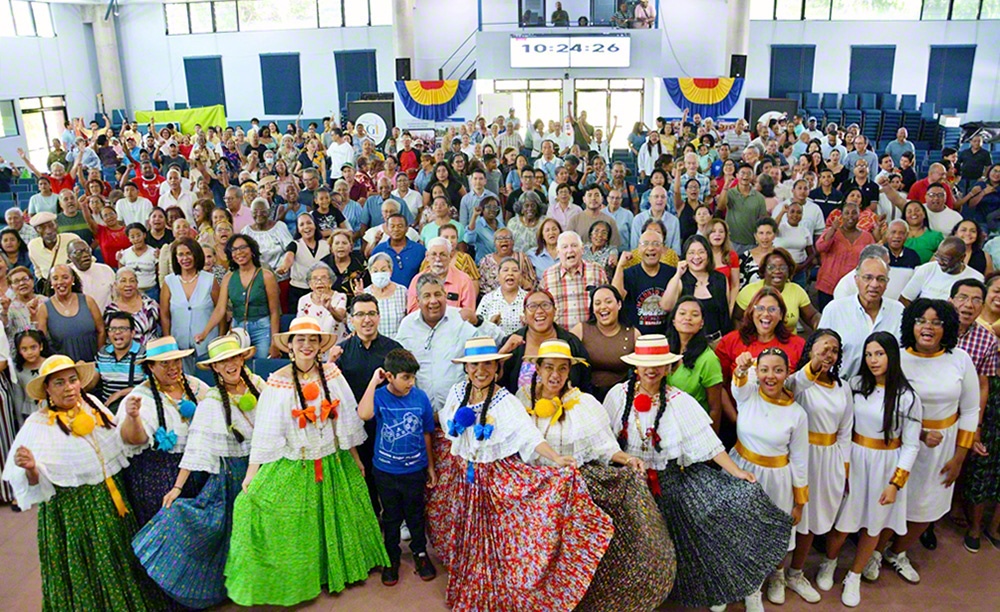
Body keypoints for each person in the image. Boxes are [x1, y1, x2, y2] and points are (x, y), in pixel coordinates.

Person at [603, 334, 792, 611]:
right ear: (636, 367)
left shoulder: (679, 401)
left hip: (669, 484)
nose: (652, 370)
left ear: (668, 368)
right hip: (629, 486)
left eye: (658, 364)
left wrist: (736, 471)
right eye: (646, 364)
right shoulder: (617, 396)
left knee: (698, 534)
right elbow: (604, 442)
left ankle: (732, 587)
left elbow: (707, 442)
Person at [431, 337, 612, 611]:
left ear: (497, 368)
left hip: (494, 481)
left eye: (488, 364)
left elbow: (529, 436)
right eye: (475, 365)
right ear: (466, 368)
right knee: (470, 538)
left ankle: (497, 593)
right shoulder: (457, 393)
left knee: (494, 540)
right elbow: (447, 423)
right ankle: (472, 588)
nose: (481, 371)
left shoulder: (505, 402)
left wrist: (556, 458)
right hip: (464, 480)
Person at [224, 316, 388, 606]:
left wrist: (355, 457)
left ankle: (334, 570)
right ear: (290, 345)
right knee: (258, 509)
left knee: (336, 518)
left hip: (333, 461)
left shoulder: (332, 374)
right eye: (300, 340)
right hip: (297, 461)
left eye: (313, 340)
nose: (307, 345)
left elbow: (345, 420)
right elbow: (266, 431)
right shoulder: (278, 382)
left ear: (320, 345)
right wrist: (252, 473)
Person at [516, 339, 676, 611]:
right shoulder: (521, 401)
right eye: (549, 367)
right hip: (534, 490)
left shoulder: (584, 404)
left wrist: (628, 459)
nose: (555, 375)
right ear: (538, 369)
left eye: (562, 368)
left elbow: (605, 447)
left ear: (569, 371)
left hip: (572, 488)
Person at [1, 356, 166, 610]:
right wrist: (31, 467)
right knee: (85, 564)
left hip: (109, 501)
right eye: (59, 383)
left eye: (72, 380)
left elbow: (118, 442)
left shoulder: (94, 405)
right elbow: (34, 484)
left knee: (117, 558)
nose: (69, 388)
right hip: (72, 511)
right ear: (47, 389)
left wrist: (132, 417)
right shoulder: (37, 425)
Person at [131, 333, 262, 609]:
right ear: (214, 367)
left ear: (242, 358)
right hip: (231, 476)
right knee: (228, 531)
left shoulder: (258, 386)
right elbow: (196, 448)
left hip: (264, 469)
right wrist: (177, 487)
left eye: (234, 357)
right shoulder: (211, 402)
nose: (230, 365)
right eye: (222, 361)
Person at [818, 332, 923, 607]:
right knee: (843, 522)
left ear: (892, 356)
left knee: (874, 525)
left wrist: (895, 483)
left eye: (879, 354)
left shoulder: (908, 397)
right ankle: (829, 562)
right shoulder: (855, 385)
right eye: (868, 354)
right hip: (855, 458)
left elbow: (911, 445)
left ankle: (854, 575)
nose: (873, 360)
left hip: (886, 465)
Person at [882, 299, 978, 584]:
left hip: (944, 448)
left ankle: (897, 553)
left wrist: (959, 456)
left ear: (947, 327)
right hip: (901, 443)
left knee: (928, 507)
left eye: (937, 322)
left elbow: (970, 410)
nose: (928, 327)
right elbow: (884, 405)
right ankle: (874, 553)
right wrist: (920, 432)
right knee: (891, 504)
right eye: (921, 320)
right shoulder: (897, 358)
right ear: (910, 324)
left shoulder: (960, 359)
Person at [772, 330, 853, 605]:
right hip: (800, 456)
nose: (829, 354)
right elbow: (796, 384)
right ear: (810, 350)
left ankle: (796, 573)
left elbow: (845, 431)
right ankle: (777, 574)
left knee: (812, 519)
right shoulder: (798, 382)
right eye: (824, 348)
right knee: (790, 517)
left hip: (828, 459)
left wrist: (844, 468)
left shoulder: (843, 387)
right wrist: (814, 365)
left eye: (834, 350)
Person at [729, 346, 810, 608]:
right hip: (741, 471)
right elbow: (738, 386)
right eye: (764, 370)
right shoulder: (748, 395)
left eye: (777, 370)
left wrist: (799, 501)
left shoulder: (797, 414)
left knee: (773, 533)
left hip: (777, 480)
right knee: (740, 531)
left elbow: (799, 459)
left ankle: (771, 578)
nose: (770, 376)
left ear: (788, 373)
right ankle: (740, 584)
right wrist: (741, 368)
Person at [357, 349, 438, 586]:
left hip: (414, 470)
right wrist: (374, 381)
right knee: (391, 517)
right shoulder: (380, 396)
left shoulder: (420, 397)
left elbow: (426, 433)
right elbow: (364, 414)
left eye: (413, 377)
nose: (411, 382)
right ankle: (391, 556)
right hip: (385, 471)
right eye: (405, 377)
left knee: (415, 514)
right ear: (390, 376)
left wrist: (430, 466)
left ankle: (420, 552)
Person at [117, 336, 211, 527]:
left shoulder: (196, 386)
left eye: (176, 361)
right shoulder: (141, 397)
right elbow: (134, 440)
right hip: (158, 476)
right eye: (164, 363)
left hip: (197, 468)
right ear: (151, 367)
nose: (173, 367)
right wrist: (133, 417)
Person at [332, 293, 404, 517]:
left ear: (379, 317)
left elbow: (405, 389)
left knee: (390, 485)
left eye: (371, 313)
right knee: (363, 482)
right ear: (351, 319)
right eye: (360, 314)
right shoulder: (341, 352)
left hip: (388, 428)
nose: (367, 319)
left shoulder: (394, 350)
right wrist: (329, 362)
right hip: (355, 430)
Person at [819, 248, 905, 378]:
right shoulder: (835, 310)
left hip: (887, 385)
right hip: (843, 385)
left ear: (887, 283)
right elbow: (820, 352)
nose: (874, 284)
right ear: (856, 279)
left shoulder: (898, 311)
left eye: (881, 279)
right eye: (868, 278)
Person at [197, 234, 282, 358]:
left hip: (262, 329)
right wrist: (204, 333)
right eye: (234, 249)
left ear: (252, 250)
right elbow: (220, 309)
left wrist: (274, 342)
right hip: (237, 329)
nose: (239, 252)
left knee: (261, 364)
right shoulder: (228, 278)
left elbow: (274, 312)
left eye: (243, 247)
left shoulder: (266, 276)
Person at [161, 238, 220, 373]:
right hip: (179, 346)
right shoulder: (169, 281)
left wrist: (219, 338)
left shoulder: (210, 280)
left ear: (196, 255)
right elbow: (164, 315)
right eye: (180, 254)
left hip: (208, 345)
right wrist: (168, 342)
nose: (185, 258)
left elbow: (219, 310)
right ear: (175, 258)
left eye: (189, 253)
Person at [664, 296, 725, 428]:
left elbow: (715, 408)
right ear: (674, 320)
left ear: (702, 323)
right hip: (665, 424)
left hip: (694, 426)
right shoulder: (664, 350)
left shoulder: (708, 359)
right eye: (682, 313)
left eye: (695, 315)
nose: (688, 318)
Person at [569, 284, 637, 401]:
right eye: (597, 303)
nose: (603, 307)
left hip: (622, 398)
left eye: (608, 302)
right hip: (586, 397)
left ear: (619, 304)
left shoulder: (633, 334)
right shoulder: (580, 330)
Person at [662, 235, 733, 342]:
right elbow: (666, 306)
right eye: (691, 253)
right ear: (685, 256)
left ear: (708, 254)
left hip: (717, 342)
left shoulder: (720, 279)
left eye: (701, 252)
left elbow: (725, 315)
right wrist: (678, 274)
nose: (696, 257)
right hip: (688, 342)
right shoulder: (680, 280)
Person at [736, 248, 820, 333]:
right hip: (755, 340)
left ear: (789, 270)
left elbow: (812, 316)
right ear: (764, 270)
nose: (777, 271)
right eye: (771, 267)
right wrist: (744, 337)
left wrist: (820, 328)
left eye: (783, 267)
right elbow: (737, 319)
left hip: (789, 340)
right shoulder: (748, 291)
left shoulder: (796, 290)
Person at [540, 231, 607, 331]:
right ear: (558, 252)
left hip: (592, 334)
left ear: (582, 249)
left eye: (574, 245)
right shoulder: (548, 275)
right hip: (559, 335)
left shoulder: (597, 271)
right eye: (565, 247)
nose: (570, 250)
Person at [36, 264, 104, 363]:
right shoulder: (44, 308)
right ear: (51, 282)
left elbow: (101, 331)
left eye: (65, 277)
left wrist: (100, 358)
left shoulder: (88, 301)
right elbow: (42, 342)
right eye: (55, 278)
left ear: (72, 280)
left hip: (93, 364)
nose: (60, 282)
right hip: (63, 367)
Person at [815, 199, 876, 308]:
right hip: (828, 286)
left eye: (854, 213)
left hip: (852, 289)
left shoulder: (867, 237)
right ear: (841, 215)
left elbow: (872, 260)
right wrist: (833, 229)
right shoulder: (832, 232)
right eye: (847, 213)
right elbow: (820, 247)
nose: (850, 216)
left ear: (859, 215)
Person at [901, 237, 984, 304]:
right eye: (937, 257)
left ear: (962, 258)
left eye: (945, 259)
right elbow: (905, 299)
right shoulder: (927, 269)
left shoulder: (975, 278)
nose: (940, 262)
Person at [276, 213, 331, 312]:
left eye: (309, 223)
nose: (306, 227)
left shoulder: (326, 245)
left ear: (315, 225)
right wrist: (284, 266)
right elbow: (289, 257)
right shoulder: (294, 244)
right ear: (298, 229)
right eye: (302, 224)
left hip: (322, 290)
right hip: (298, 291)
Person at [406, 237, 476, 313]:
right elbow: (412, 313)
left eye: (443, 255)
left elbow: (468, 313)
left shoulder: (464, 281)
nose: (438, 259)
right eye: (433, 254)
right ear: (427, 256)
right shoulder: (417, 280)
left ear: (450, 257)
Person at [93, 310, 146, 410]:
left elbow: (152, 386)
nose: (117, 332)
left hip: (138, 408)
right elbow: (93, 380)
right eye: (113, 329)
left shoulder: (143, 354)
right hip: (108, 409)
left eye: (123, 328)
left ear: (132, 333)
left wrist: (120, 393)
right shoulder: (103, 353)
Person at [295, 262, 349, 350]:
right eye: (315, 279)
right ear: (310, 284)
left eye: (324, 278)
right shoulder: (303, 300)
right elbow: (300, 326)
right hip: (312, 348)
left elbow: (340, 317)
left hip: (336, 347)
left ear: (330, 282)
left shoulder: (340, 297)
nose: (319, 282)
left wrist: (330, 308)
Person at [105, 267, 161, 346]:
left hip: (152, 350)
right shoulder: (111, 311)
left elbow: (164, 322)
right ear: (116, 285)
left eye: (132, 281)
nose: (128, 284)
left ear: (137, 284)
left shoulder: (149, 304)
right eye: (123, 281)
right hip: (124, 352)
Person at [719, 163, 768, 253]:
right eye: (742, 173)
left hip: (751, 243)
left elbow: (762, 220)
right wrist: (726, 186)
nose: (745, 176)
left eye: (749, 173)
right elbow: (720, 207)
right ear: (737, 175)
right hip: (731, 241)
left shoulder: (759, 197)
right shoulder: (730, 193)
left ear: (753, 176)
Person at [476, 257, 528, 337]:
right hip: (495, 343)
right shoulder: (488, 299)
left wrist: (529, 325)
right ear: (498, 276)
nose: (510, 273)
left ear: (520, 277)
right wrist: (490, 324)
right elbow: (477, 329)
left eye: (515, 270)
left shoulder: (529, 298)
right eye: (505, 270)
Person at [371, 214, 426, 287]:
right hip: (385, 292)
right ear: (387, 229)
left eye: (400, 226)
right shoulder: (379, 250)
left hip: (413, 292)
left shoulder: (420, 250)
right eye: (392, 226)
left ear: (407, 228)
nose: (396, 229)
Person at [476, 227, 534, 296]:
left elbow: (532, 282)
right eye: (499, 238)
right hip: (492, 298)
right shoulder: (486, 260)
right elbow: (481, 285)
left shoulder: (522, 257)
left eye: (507, 238)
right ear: (494, 243)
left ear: (513, 242)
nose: (504, 240)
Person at [363, 252, 408, 340]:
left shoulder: (402, 291)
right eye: (375, 271)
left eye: (383, 270)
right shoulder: (364, 293)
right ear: (370, 272)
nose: (379, 274)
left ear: (390, 270)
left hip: (398, 343)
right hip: (374, 344)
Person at [26, 212, 73, 292]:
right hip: (50, 288)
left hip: (71, 285)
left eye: (51, 226)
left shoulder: (71, 239)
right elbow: (37, 268)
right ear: (36, 230)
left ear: (57, 225)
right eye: (42, 228)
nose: (48, 231)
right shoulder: (33, 246)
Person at [67, 239, 115, 312]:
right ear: (69, 257)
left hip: (105, 316)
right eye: (79, 252)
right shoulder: (66, 275)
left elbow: (117, 296)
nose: (85, 255)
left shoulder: (106, 270)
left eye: (87, 250)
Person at [117, 223, 159, 301]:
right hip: (131, 292)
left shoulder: (153, 253)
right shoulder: (124, 254)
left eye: (139, 235)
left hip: (151, 291)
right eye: (132, 237)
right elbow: (121, 274)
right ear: (129, 238)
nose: (136, 239)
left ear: (144, 235)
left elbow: (158, 272)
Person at [738, 217, 777, 289]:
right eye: (761, 233)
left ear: (774, 235)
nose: (765, 237)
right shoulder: (744, 258)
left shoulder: (781, 256)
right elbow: (739, 284)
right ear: (755, 236)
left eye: (768, 233)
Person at [901, 200, 944, 264]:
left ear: (924, 214)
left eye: (917, 210)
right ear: (905, 217)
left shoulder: (936, 236)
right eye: (909, 211)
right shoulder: (898, 235)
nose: (913, 213)